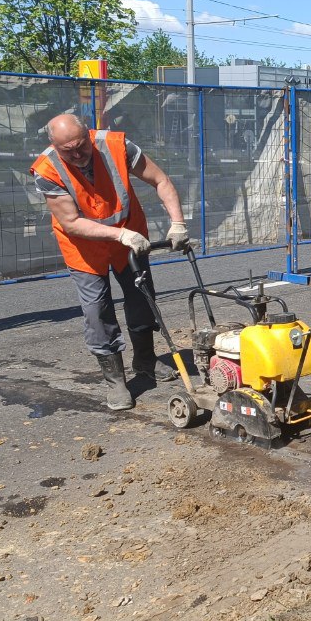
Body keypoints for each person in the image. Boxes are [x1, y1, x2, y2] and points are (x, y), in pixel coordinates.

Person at [31, 114, 190, 410]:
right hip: (84, 245)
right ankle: (115, 381)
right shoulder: (46, 168)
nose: (78, 155)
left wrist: (178, 223)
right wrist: (120, 235)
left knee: (142, 297)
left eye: (82, 147)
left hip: (129, 236)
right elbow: (72, 223)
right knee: (97, 311)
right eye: (69, 151)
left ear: (89, 136)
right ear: (54, 145)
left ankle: (145, 360)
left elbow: (161, 180)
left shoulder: (117, 146)